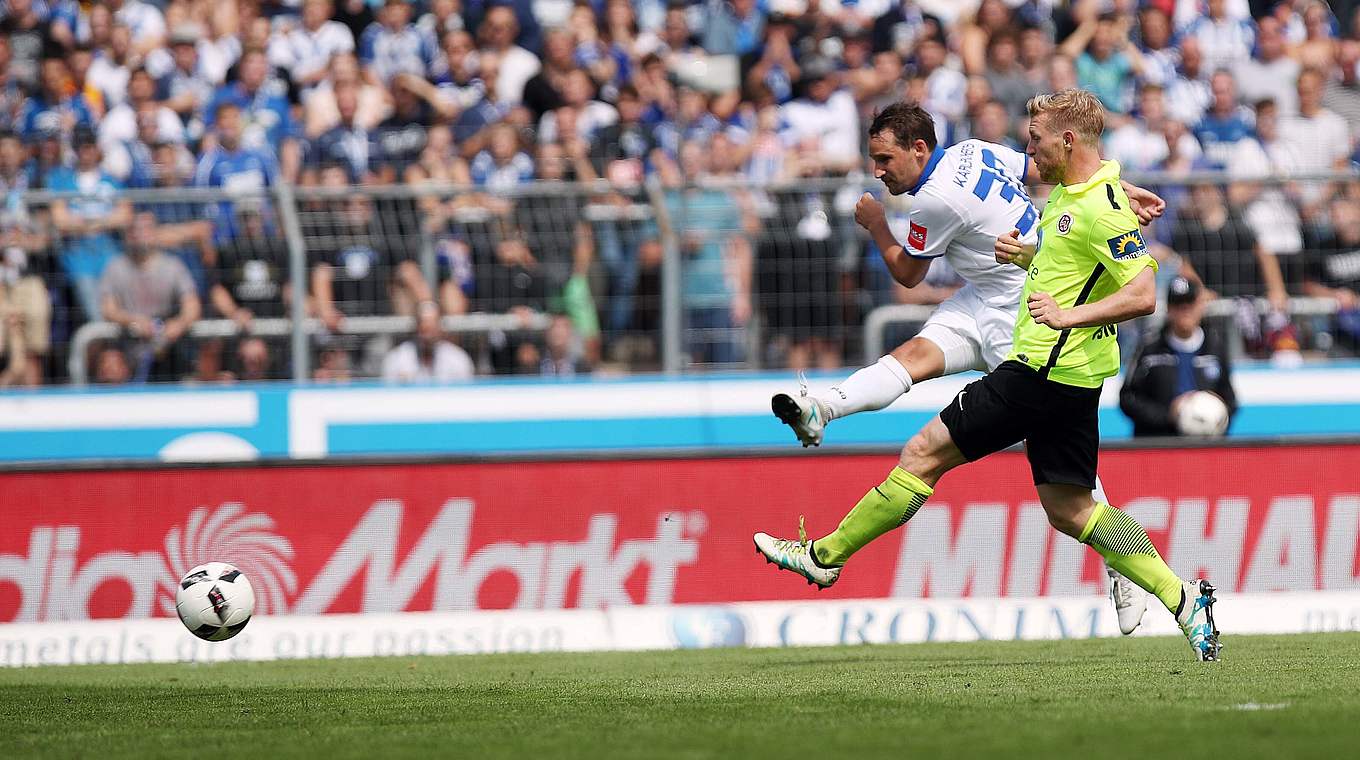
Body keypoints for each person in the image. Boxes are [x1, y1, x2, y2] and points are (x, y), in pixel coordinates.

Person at [757, 89, 1221, 661]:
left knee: (923, 454)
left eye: (1038, 140)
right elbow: (1072, 229)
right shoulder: (1068, 193)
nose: (1028, 150)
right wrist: (1038, 251)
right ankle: (1182, 597)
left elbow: (1142, 290)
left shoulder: (1070, 203)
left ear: (1067, 141)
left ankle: (824, 556)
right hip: (1067, 369)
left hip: (1036, 362)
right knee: (1073, 509)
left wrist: (1066, 308)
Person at [1120, 276, 1237, 437]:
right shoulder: (1150, 348)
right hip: (1158, 443)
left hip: (1206, 445)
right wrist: (1169, 415)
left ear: (1200, 305)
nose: (1184, 311)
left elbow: (1230, 400)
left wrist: (1215, 410)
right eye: (1178, 305)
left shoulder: (1215, 347)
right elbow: (1128, 398)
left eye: (1190, 304)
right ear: (1168, 308)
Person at [98, 211, 202, 381]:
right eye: (133, 230)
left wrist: (179, 324)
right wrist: (133, 321)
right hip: (128, 342)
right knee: (110, 364)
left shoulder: (173, 266)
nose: (139, 234)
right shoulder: (115, 267)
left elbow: (192, 306)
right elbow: (108, 310)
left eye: (145, 229)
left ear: (155, 232)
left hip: (169, 346)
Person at [381, 302, 475, 383]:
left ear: (440, 328)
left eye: (432, 327)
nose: (428, 336)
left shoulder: (457, 358)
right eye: (424, 328)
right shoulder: (397, 359)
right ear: (416, 327)